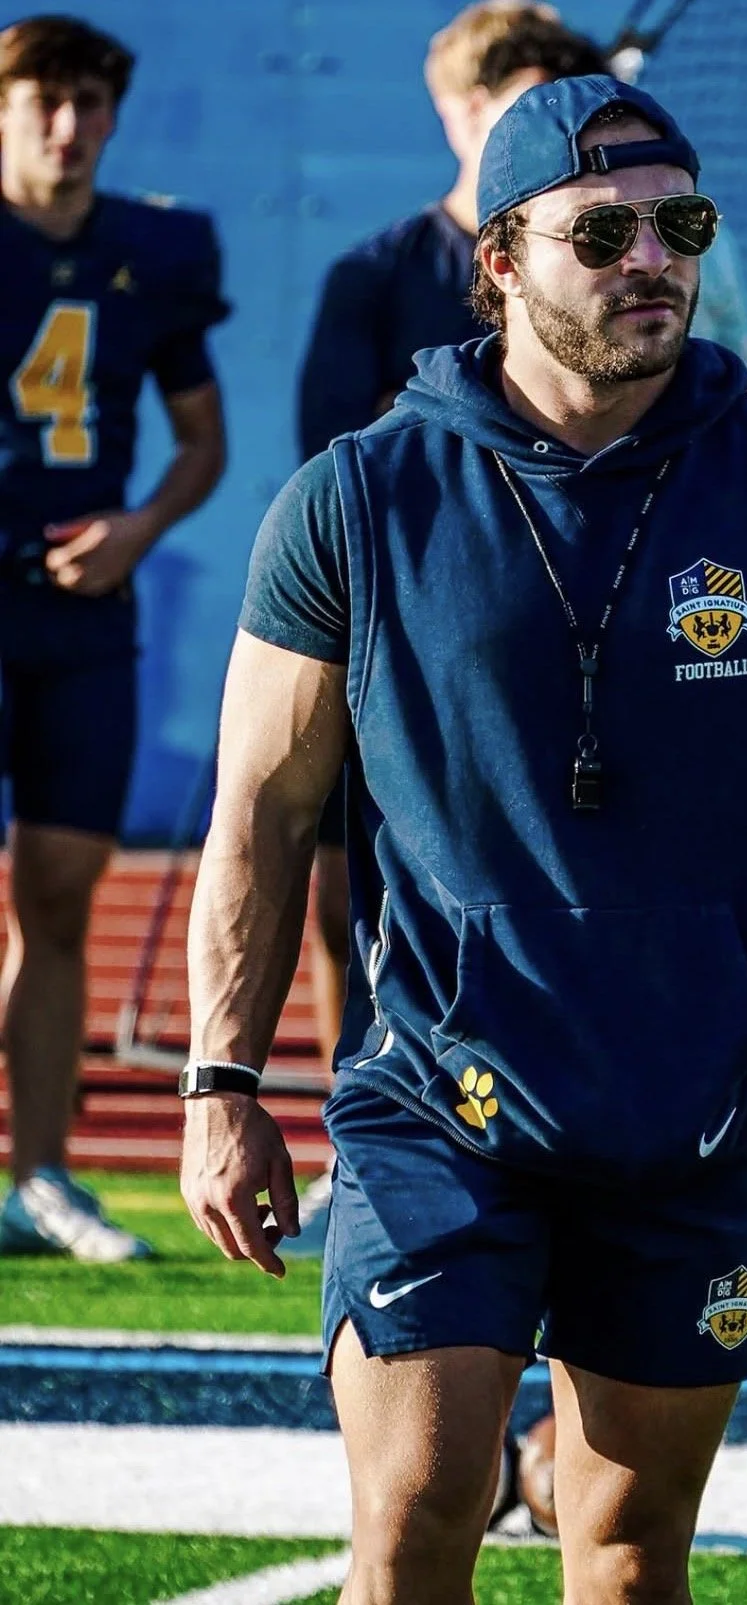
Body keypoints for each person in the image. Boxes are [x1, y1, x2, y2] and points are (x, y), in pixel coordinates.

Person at [181, 75, 747, 1605]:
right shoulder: (355, 500)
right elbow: (263, 814)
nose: (651, 259)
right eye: (602, 230)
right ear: (501, 260)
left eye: (679, 225)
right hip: (437, 1101)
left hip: (693, 1109)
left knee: (622, 1558)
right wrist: (223, 1080)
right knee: (417, 1513)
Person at [288, 4, 607, 1259]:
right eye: (520, 101)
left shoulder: (613, 259)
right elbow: (331, 460)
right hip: (401, 645)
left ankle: (591, 1145)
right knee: (343, 896)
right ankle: (355, 1136)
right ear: (461, 109)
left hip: (571, 646)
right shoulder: (376, 273)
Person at [0, 14, 228, 1261]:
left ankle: (41, 1175)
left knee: (60, 897)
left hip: (85, 607)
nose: (68, 127)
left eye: (89, 102)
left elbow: (203, 440)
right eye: (43, 100)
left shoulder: (153, 249)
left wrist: (138, 530)